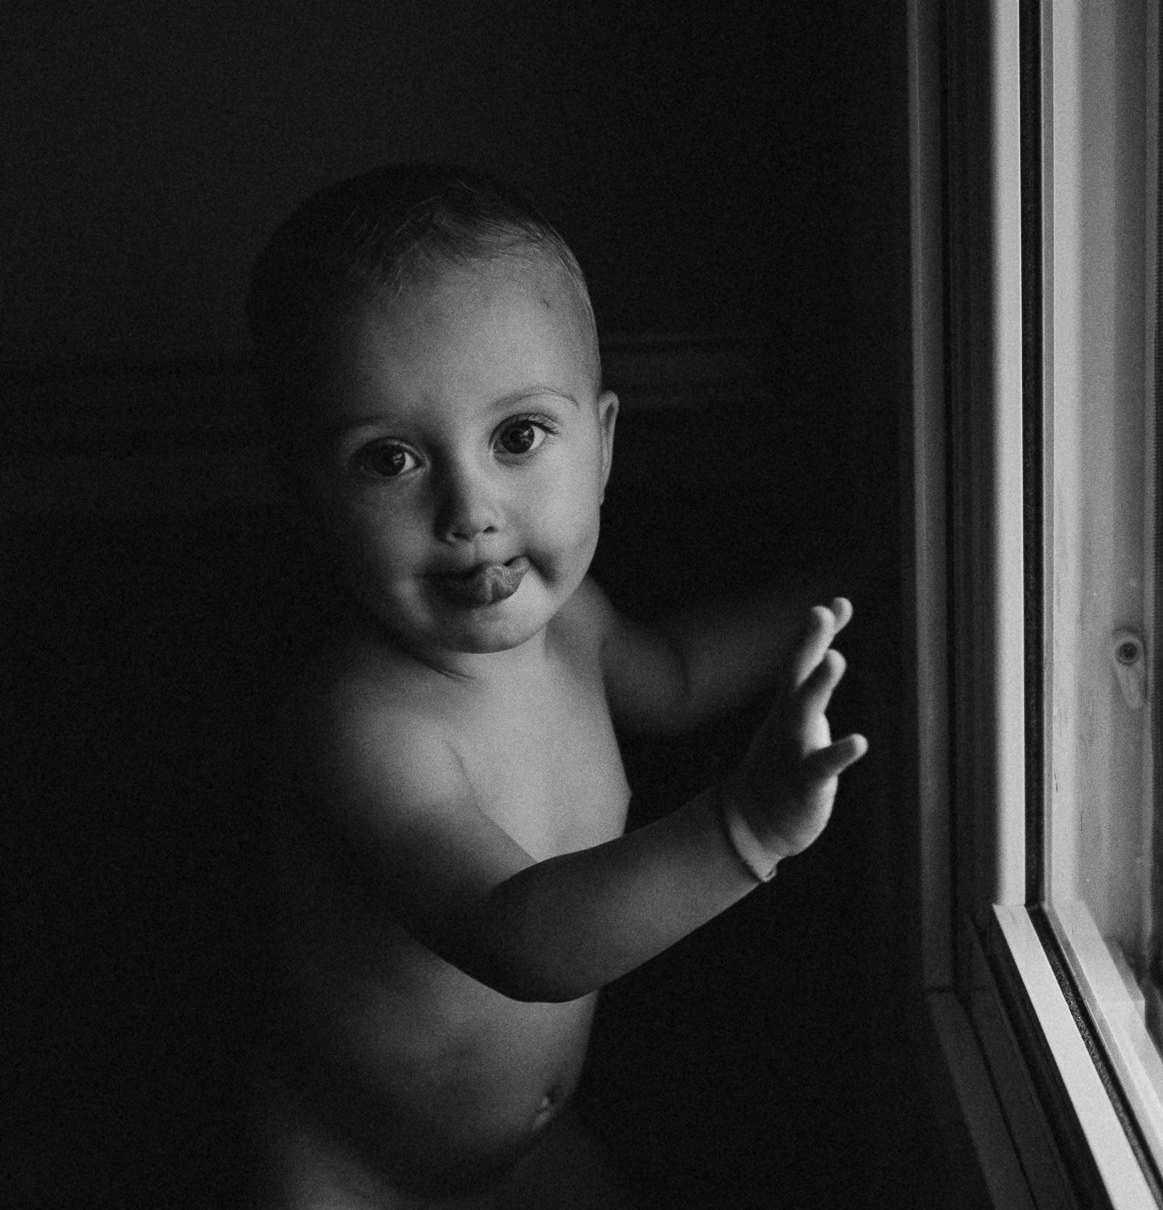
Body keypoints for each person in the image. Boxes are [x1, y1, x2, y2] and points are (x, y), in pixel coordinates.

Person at [244, 164, 867, 1208]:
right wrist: (745, 830)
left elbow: (669, 675)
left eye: (517, 437)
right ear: (309, 503)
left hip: (524, 1148)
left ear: (604, 442)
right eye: (390, 459)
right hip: (354, 1174)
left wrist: (853, 588)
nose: (469, 508)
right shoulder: (364, 723)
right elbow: (514, 932)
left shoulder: (571, 623)